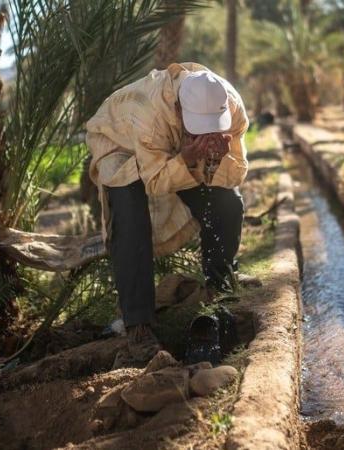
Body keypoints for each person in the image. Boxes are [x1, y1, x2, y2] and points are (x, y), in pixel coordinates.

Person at [85, 62, 249, 364]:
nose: (211, 132)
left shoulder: (232, 106)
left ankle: (220, 283)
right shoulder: (150, 115)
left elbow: (235, 176)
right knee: (131, 220)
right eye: (200, 127)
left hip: (171, 145)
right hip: (120, 141)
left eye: (215, 126)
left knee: (227, 204)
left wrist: (216, 159)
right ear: (178, 111)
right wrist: (186, 157)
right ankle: (138, 326)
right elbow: (155, 181)